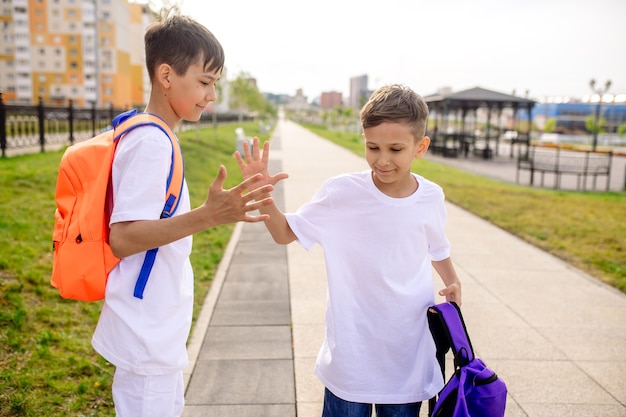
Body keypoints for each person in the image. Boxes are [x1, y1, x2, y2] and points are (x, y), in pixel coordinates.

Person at [237, 84, 462, 417]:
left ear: (421, 146)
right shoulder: (341, 193)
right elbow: (285, 233)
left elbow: (437, 247)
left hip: (407, 353)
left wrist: (452, 281)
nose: (382, 160)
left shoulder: (431, 197)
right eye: (373, 147)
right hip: (351, 355)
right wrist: (263, 195)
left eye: (395, 149)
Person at [90, 14, 274, 417]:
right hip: (147, 331)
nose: (211, 96)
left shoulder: (154, 135)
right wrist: (210, 215)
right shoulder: (151, 143)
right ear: (167, 75)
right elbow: (122, 237)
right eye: (205, 82)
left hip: (155, 329)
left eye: (215, 84)